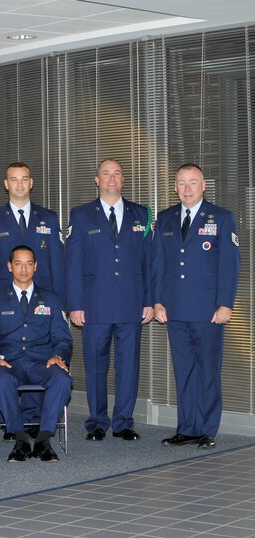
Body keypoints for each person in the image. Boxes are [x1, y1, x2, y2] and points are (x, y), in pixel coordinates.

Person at [153, 163, 240, 450]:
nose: (187, 188)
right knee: (184, 370)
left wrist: (225, 304)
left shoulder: (222, 218)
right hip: (175, 309)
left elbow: (229, 266)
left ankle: (207, 428)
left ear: (204, 186)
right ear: (175, 187)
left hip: (208, 312)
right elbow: (158, 266)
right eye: (181, 183)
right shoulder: (165, 219)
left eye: (193, 182)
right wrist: (157, 301)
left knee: (207, 370)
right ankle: (187, 427)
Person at [66, 159, 153, 442]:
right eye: (106, 174)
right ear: (97, 180)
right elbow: (73, 264)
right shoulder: (80, 215)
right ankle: (97, 422)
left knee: (128, 366)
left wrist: (150, 301)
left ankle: (124, 422)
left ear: (123, 179)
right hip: (94, 304)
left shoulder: (142, 214)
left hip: (131, 303)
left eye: (117, 173)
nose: (111, 179)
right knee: (95, 365)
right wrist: (75, 305)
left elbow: (149, 263)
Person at [0, 246, 72, 462]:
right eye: (18, 263)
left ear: (36, 266)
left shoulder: (51, 298)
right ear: (9, 266)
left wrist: (58, 355)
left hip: (41, 363)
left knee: (62, 380)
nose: (23, 269)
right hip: (10, 364)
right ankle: (20, 439)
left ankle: (43, 439)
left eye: (28, 263)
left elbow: (62, 337)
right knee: (1, 381)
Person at [0, 162, 64, 303]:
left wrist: (61, 302)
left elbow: (57, 263)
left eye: (24, 179)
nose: (20, 185)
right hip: (3, 297)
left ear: (31, 183)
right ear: (6, 184)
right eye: (14, 180)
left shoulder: (49, 218)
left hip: (43, 295)